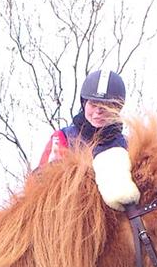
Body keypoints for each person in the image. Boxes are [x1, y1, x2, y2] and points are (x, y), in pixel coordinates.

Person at [36, 69, 140, 210]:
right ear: (84, 103)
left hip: (115, 221)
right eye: (93, 104)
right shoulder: (62, 138)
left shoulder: (128, 146)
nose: (98, 111)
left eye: (106, 106)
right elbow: (41, 184)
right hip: (70, 213)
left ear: (118, 107)